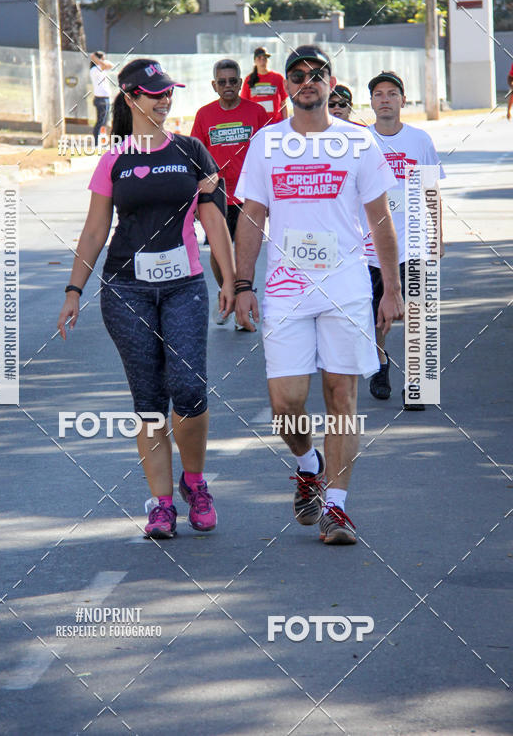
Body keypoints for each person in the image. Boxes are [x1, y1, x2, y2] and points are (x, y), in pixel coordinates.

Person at [57, 58, 235, 539]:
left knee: (189, 387)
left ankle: (195, 483)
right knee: (150, 400)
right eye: (155, 93)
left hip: (183, 287)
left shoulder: (192, 150)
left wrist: (233, 281)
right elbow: (96, 230)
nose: (164, 99)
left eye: (168, 92)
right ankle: (160, 505)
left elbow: (213, 220)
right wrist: (74, 290)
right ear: (132, 97)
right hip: (125, 289)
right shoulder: (115, 158)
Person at [234, 45, 403, 545]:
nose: (307, 81)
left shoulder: (358, 142)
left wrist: (390, 287)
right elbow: (251, 216)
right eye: (297, 74)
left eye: (316, 74)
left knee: (340, 396)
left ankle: (337, 508)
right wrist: (243, 282)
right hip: (286, 290)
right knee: (286, 403)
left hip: (347, 287)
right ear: (286, 84)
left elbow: (380, 218)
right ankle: (309, 465)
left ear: (332, 83)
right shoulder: (267, 142)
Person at [362, 71, 445, 411]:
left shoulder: (420, 140)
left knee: (416, 312)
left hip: (412, 241)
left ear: (402, 99)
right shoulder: (360, 141)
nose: (385, 99)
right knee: (376, 316)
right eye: (378, 94)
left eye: (391, 93)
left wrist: (438, 235)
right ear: (371, 102)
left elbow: (432, 191)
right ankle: (380, 364)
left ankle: (417, 383)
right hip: (370, 247)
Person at [191, 58, 268, 326]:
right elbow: (196, 157)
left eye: (233, 81)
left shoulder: (256, 112)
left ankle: (242, 303)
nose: (228, 86)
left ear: (240, 83)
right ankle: (229, 297)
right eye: (222, 82)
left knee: (246, 251)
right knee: (217, 251)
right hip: (217, 194)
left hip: (250, 193)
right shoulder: (204, 114)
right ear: (214, 85)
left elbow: (267, 153)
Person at [240, 46, 288, 125]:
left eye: (265, 58)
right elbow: (244, 104)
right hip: (257, 123)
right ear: (255, 61)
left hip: (275, 123)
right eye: (259, 58)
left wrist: (285, 122)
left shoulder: (278, 78)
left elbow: (283, 103)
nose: (262, 61)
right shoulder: (249, 79)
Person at [89, 51, 114, 144]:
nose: (104, 61)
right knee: (101, 121)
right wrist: (96, 59)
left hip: (105, 98)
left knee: (104, 122)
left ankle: (102, 140)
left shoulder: (100, 67)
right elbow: (106, 65)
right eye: (103, 58)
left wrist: (97, 59)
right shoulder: (95, 69)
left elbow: (111, 65)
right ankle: (96, 142)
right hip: (101, 99)